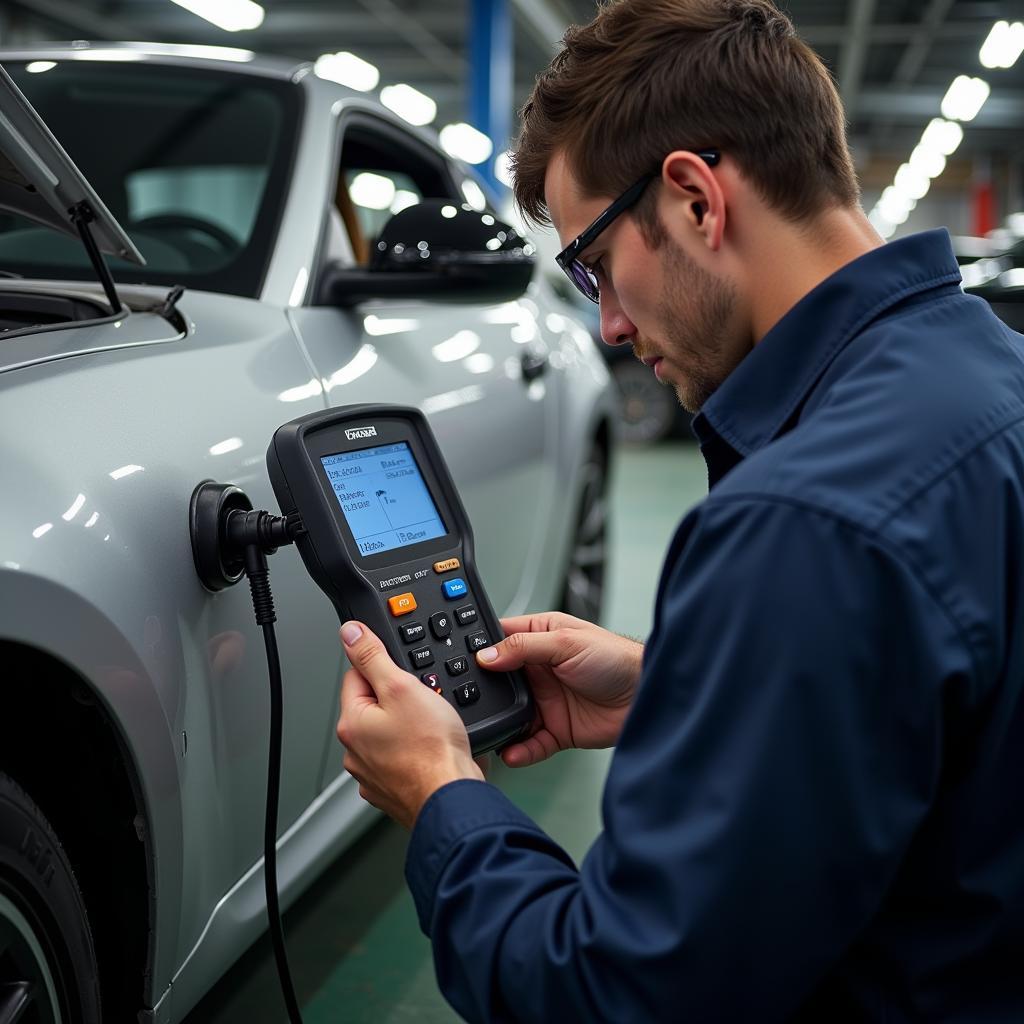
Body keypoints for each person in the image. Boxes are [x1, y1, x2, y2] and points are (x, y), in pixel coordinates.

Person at [336, 0, 1024, 1019]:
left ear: (697, 199)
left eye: (597, 264)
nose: (608, 324)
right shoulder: (990, 374)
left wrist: (441, 792)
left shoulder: (802, 519)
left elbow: (616, 993)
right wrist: (682, 685)